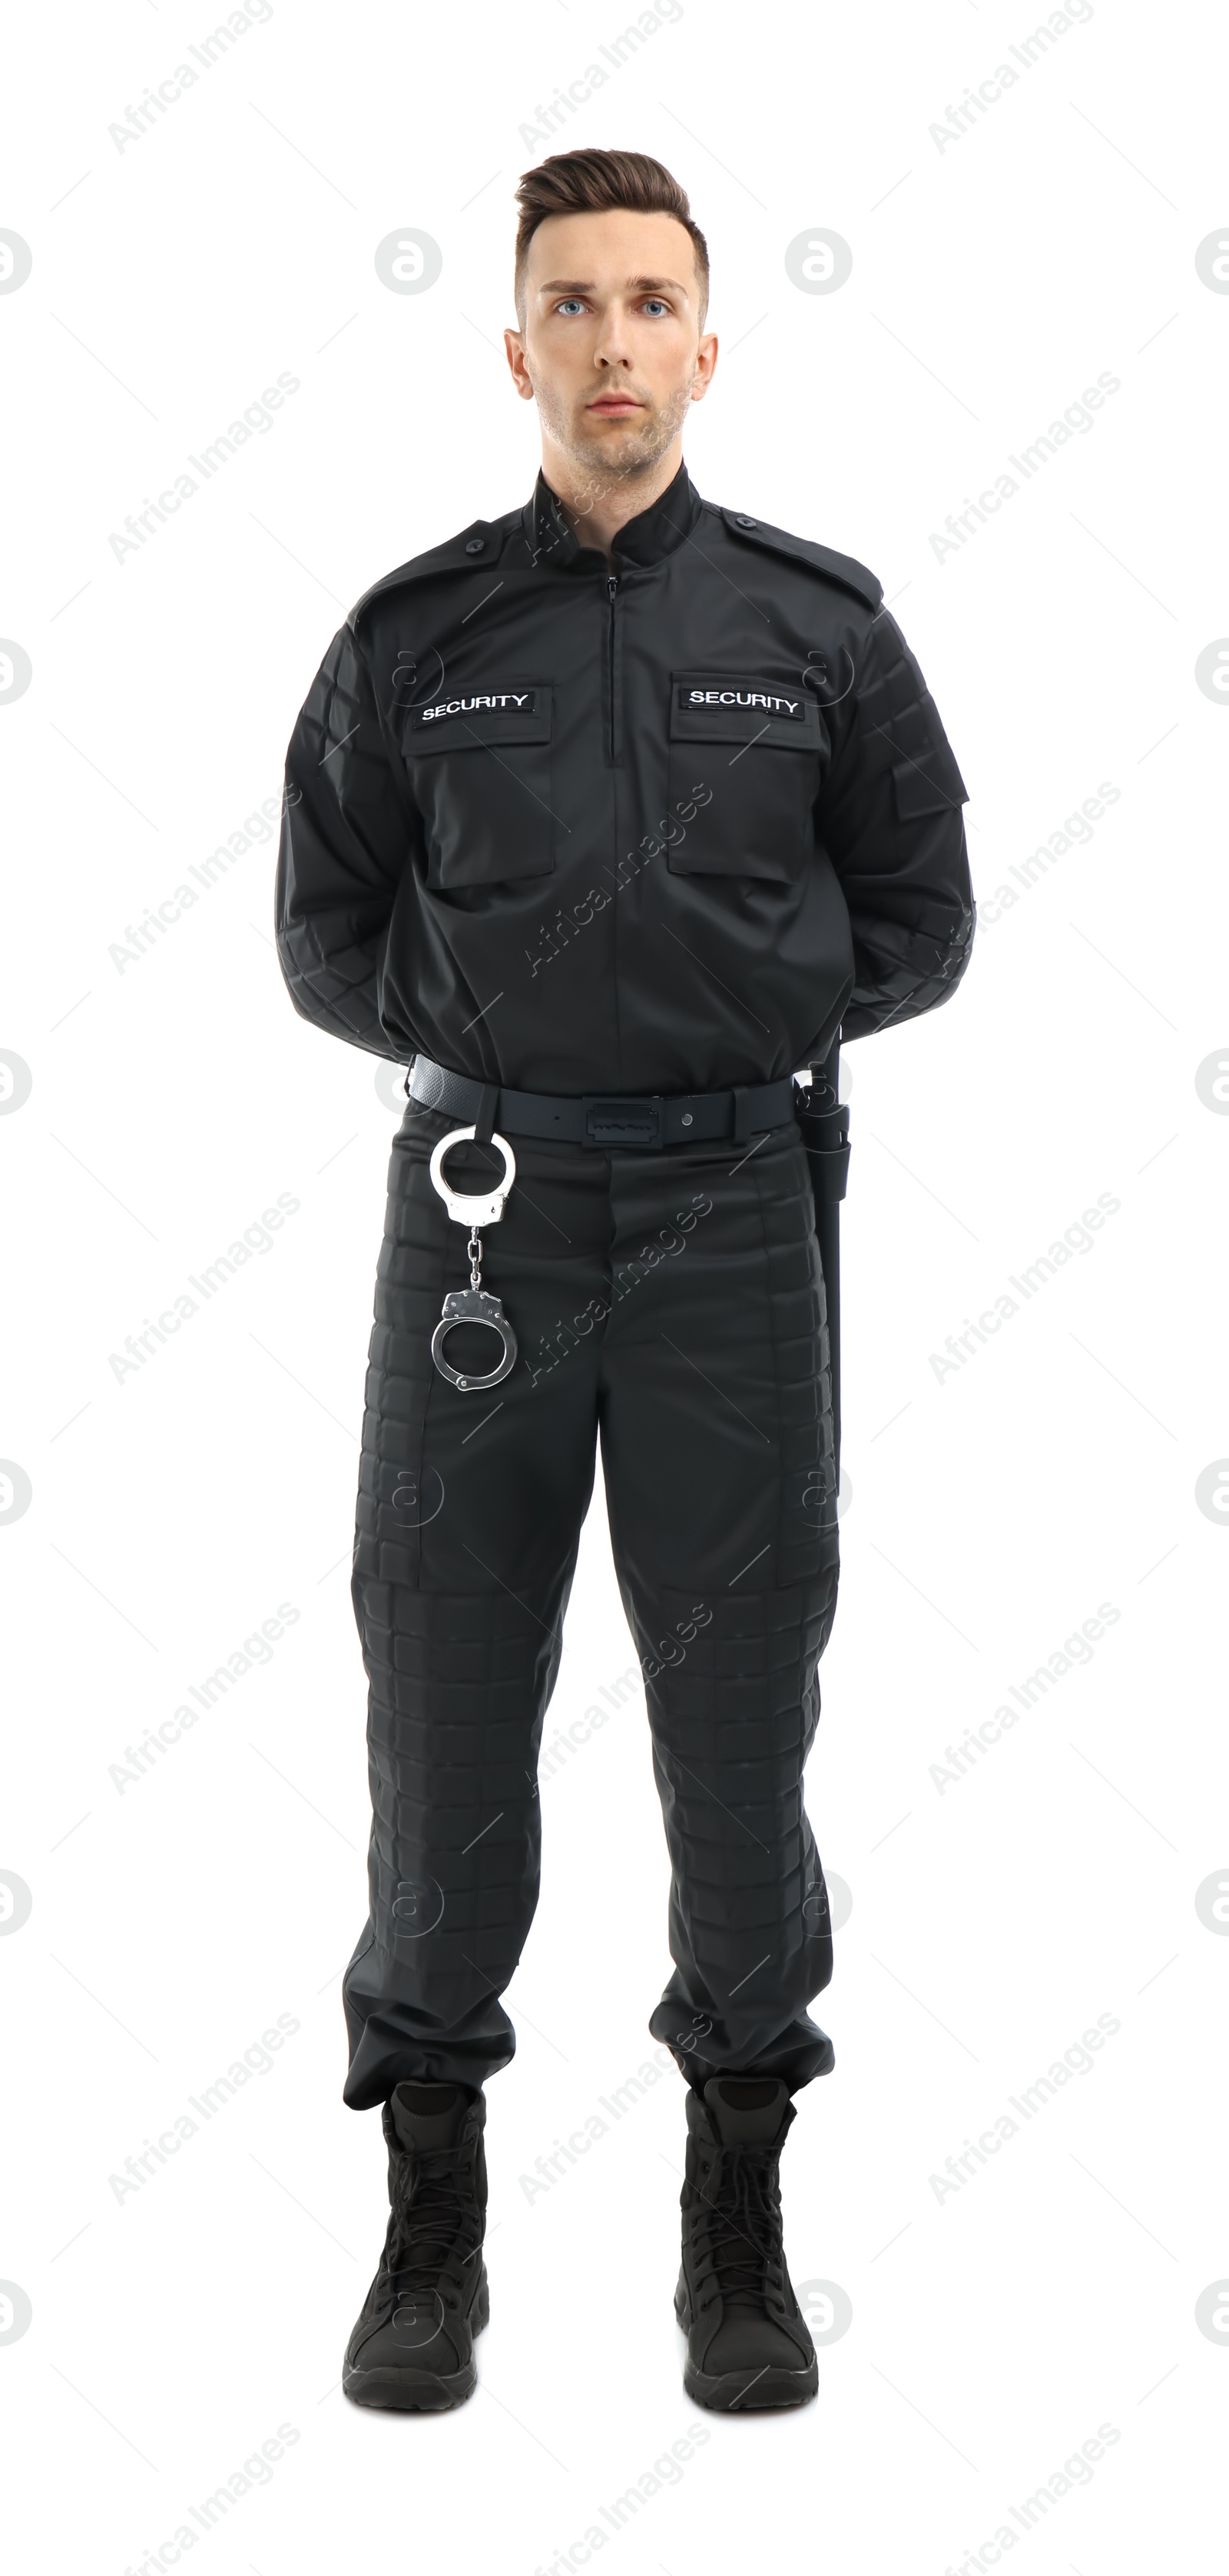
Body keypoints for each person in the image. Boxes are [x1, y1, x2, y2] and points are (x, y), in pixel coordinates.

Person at [274, 146, 973, 2415]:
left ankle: (736, 2203)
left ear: (705, 342)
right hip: (481, 1215)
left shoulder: (818, 627)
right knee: (447, 1702)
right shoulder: (413, 638)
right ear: (515, 351)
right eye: (567, 306)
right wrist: (516, 1045)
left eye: (649, 302)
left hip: (734, 1222)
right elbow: (324, 933)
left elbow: (920, 923)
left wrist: (705, 1026)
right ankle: (432, 2213)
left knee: (738, 1705)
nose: (609, 345)